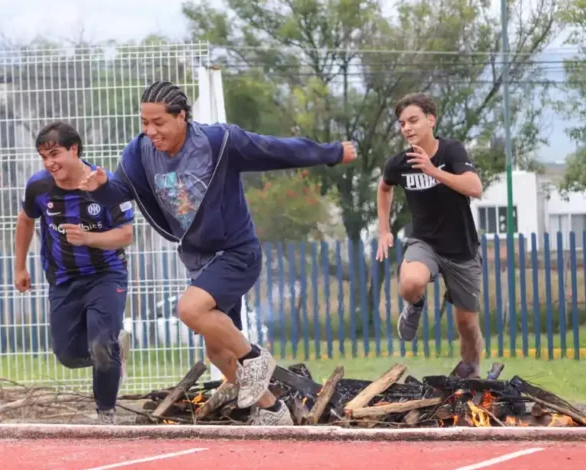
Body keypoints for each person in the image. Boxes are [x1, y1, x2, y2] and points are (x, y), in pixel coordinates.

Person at [79, 81, 357, 425]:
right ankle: (272, 410)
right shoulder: (138, 153)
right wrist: (101, 187)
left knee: (190, 308)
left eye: (159, 123)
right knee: (218, 350)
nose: (150, 131)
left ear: (181, 117)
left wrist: (331, 153)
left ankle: (255, 358)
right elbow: (122, 192)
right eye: (144, 122)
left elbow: (275, 149)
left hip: (236, 252)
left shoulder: (218, 142)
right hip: (199, 259)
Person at [14, 121, 135, 424]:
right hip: (64, 280)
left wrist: (89, 238)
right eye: (44, 157)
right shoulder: (39, 187)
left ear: (74, 149)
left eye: (55, 154)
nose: (50, 163)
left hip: (106, 276)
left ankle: (106, 414)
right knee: (67, 356)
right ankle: (113, 352)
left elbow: (125, 235)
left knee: (101, 344)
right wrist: (20, 266)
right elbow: (26, 220)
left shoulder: (106, 185)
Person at [376, 92, 485, 378]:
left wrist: (433, 171)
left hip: (462, 250)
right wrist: (384, 230)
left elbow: (475, 187)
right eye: (402, 123)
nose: (407, 128)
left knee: (467, 325)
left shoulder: (452, 152)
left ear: (431, 120)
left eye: (413, 120)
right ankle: (415, 305)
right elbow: (384, 188)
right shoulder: (398, 163)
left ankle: (471, 376)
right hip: (425, 243)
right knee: (410, 283)